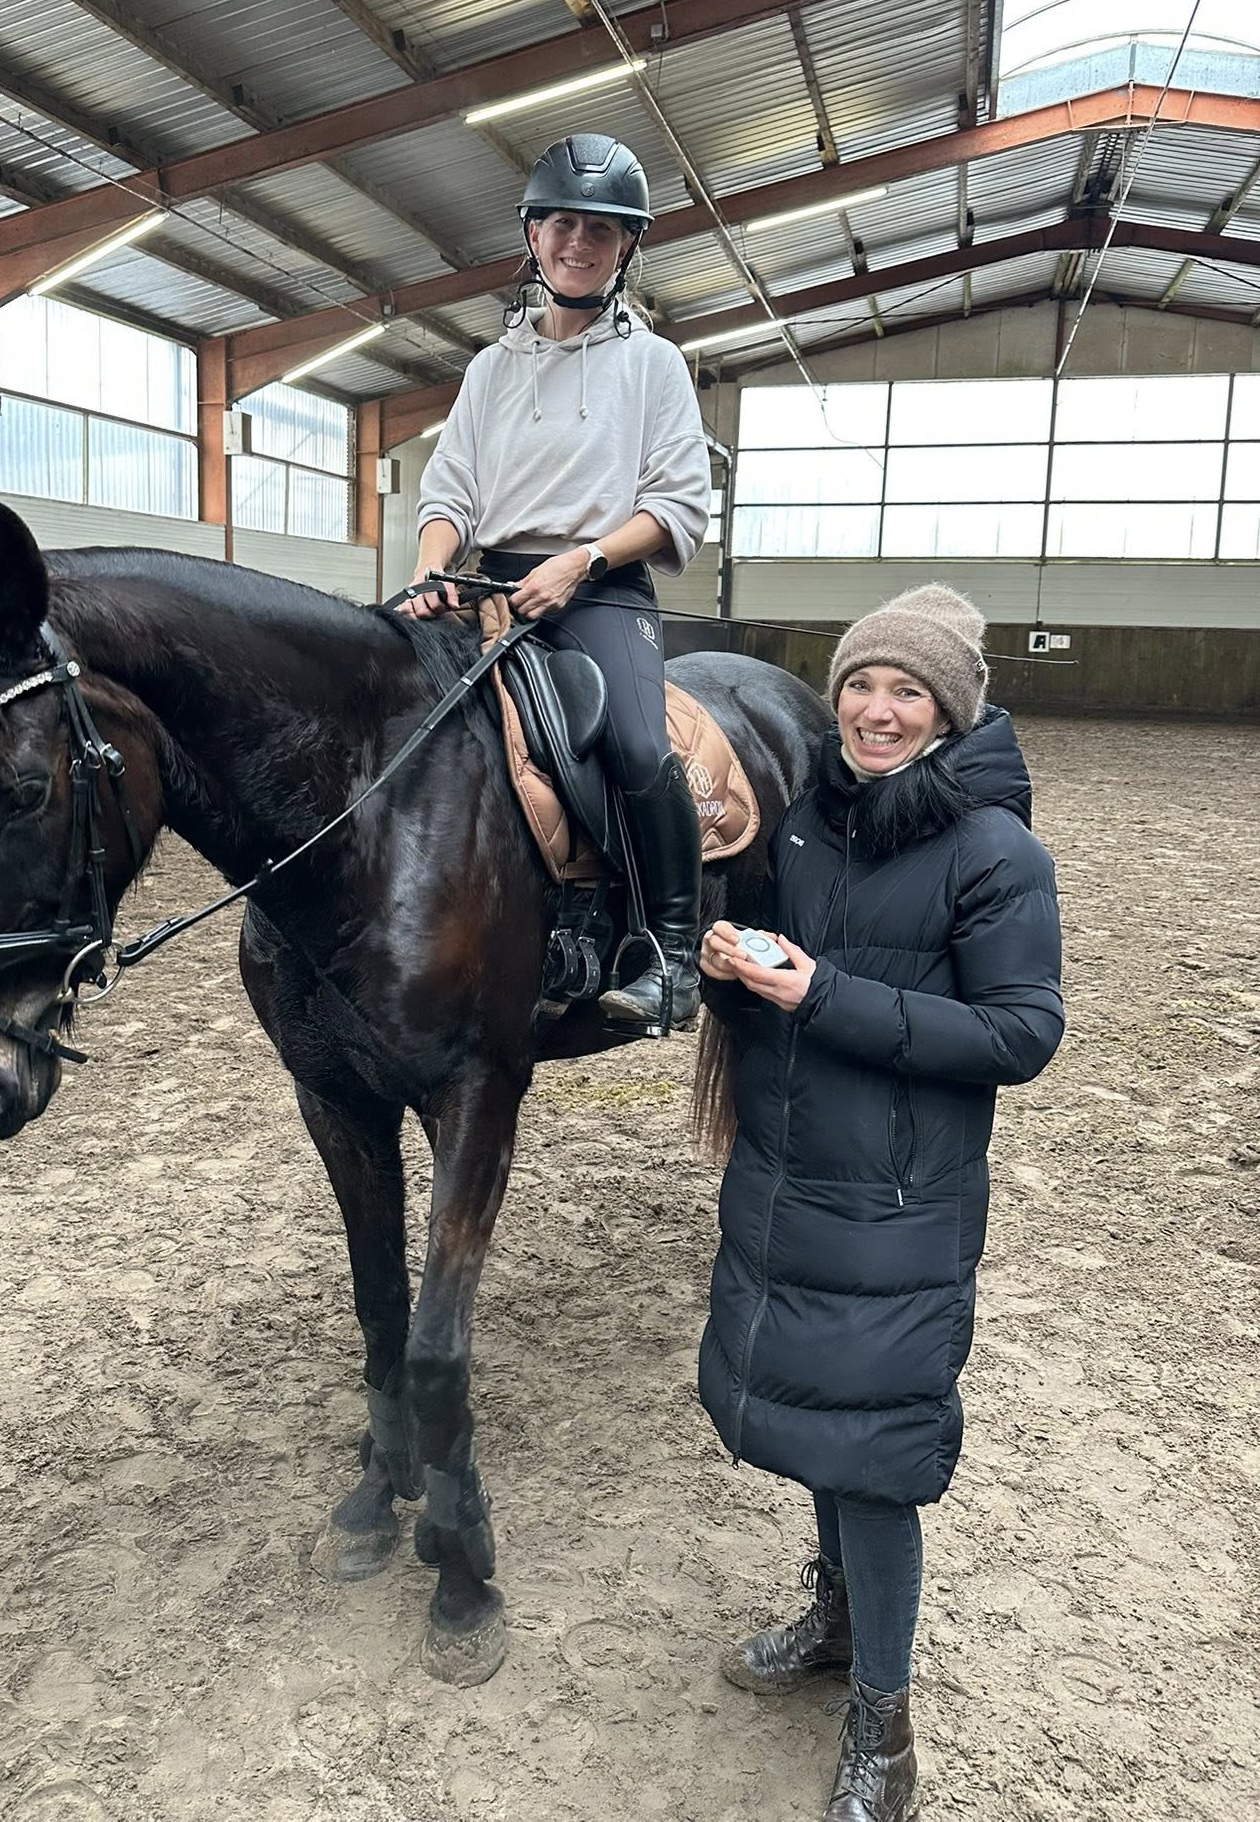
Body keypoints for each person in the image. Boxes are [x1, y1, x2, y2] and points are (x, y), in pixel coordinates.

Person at [696, 585, 1065, 1821]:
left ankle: (884, 1727)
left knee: (875, 1463)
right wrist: (735, 970)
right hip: (789, 1178)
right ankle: (839, 1619)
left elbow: (1021, 1033)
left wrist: (824, 995)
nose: (876, 708)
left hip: (895, 1205)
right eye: (860, 682)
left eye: (907, 689)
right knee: (820, 1424)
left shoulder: (996, 852)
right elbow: (788, 978)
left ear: (948, 709)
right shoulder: (808, 824)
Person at [402, 131, 713, 1030]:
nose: (579, 242)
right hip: (488, 586)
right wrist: (428, 569)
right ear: (533, 235)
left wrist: (582, 561)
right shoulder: (489, 369)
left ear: (627, 246)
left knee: (637, 747)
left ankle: (672, 954)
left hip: (601, 586)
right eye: (563, 224)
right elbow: (450, 493)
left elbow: (676, 504)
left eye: (601, 229)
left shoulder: (654, 364)